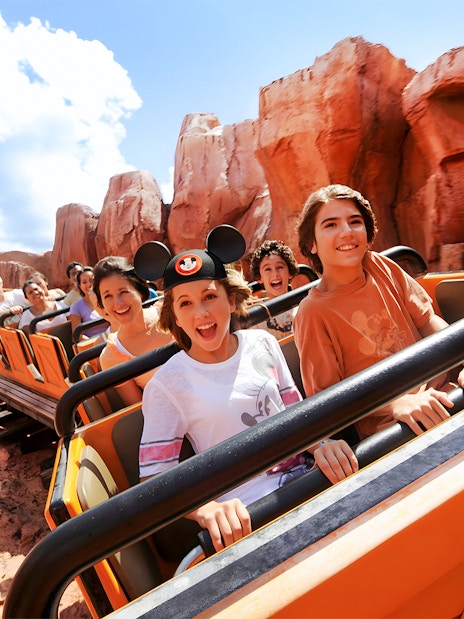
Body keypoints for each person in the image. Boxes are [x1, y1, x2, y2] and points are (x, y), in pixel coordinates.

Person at [136, 225, 358, 553]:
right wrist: (207, 510)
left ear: (231, 299)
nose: (201, 312)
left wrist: (322, 445)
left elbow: (294, 412)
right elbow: (154, 479)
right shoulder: (167, 385)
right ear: (175, 318)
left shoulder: (263, 343)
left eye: (210, 296)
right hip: (248, 518)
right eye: (185, 304)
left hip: (308, 483)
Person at [293, 184, 454, 441]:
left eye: (354, 221)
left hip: (446, 395)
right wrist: (395, 405)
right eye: (331, 225)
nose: (346, 231)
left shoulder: (381, 266)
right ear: (312, 243)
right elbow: (329, 400)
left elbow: (429, 322)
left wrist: (460, 362)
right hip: (394, 431)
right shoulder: (312, 313)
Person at [93, 256, 173, 407]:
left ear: (139, 290)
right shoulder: (112, 356)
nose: (118, 303)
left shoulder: (170, 312)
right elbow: (140, 408)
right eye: (107, 296)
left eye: (123, 292)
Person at [249, 239, 300, 340]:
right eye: (268, 269)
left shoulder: (302, 307)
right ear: (260, 277)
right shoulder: (257, 317)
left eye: (280, 267)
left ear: (290, 272)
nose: (275, 274)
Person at [69, 266, 109, 340]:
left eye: (92, 280)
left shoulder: (107, 298)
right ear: (80, 286)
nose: (89, 284)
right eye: (84, 282)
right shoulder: (76, 307)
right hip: (94, 346)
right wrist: (96, 344)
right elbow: (78, 335)